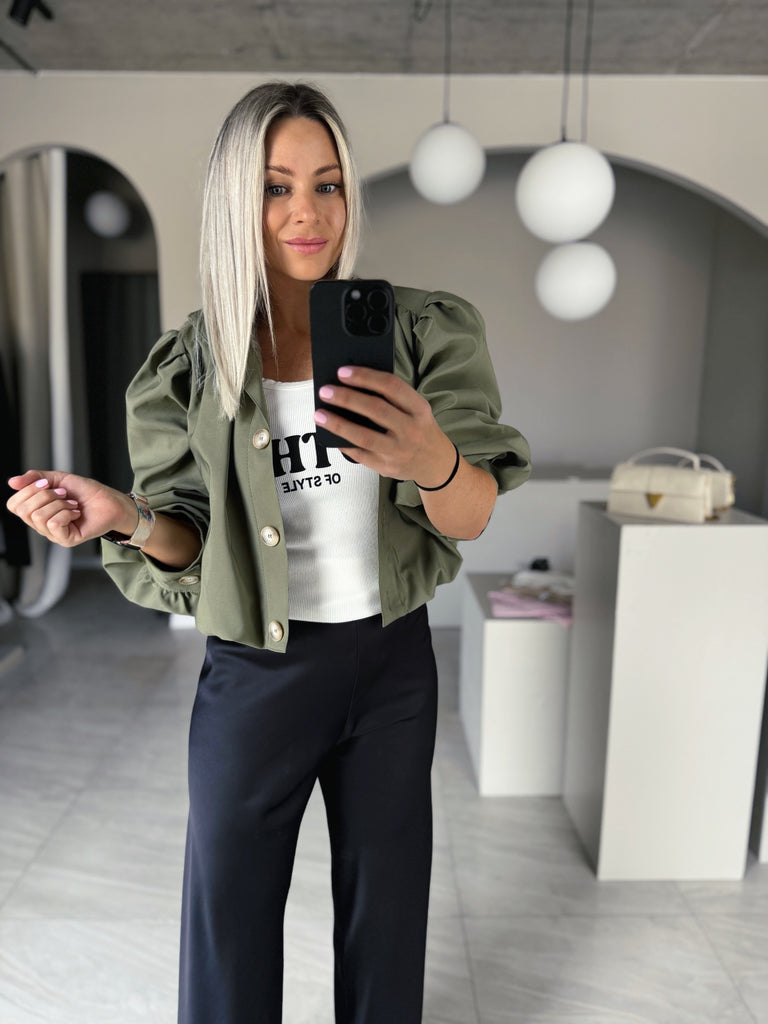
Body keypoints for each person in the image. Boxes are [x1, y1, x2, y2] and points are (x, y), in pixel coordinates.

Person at [6, 81, 530, 1024]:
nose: (306, 213)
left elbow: (473, 515)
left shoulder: (422, 333)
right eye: (275, 187)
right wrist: (123, 516)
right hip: (255, 673)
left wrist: (432, 460)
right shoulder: (189, 367)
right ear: (234, 203)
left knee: (387, 912)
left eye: (328, 185)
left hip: (393, 666)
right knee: (229, 915)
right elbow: (189, 540)